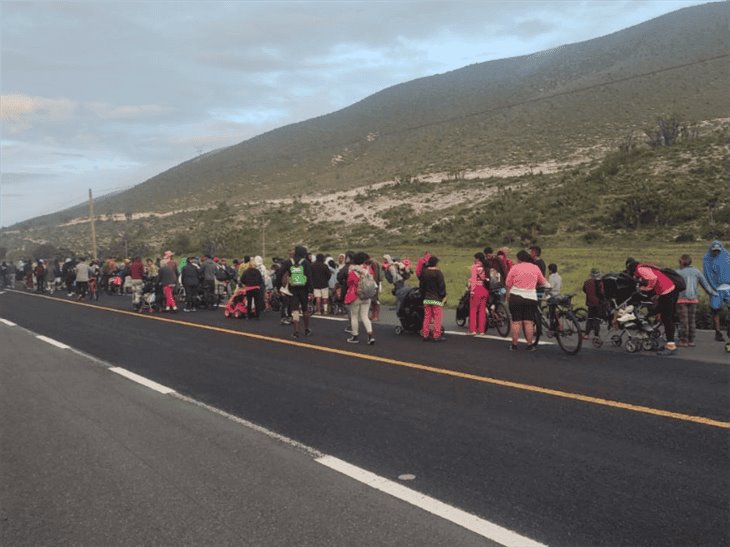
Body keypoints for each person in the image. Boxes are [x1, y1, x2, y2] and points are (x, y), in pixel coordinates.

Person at [625, 258, 678, 356]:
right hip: (668, 290)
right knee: (659, 313)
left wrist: (646, 288)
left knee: (667, 319)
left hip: (667, 292)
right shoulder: (644, 267)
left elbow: (653, 279)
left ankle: (671, 345)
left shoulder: (640, 269)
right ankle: (669, 342)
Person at [505, 250, 547, 351]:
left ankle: (514, 345)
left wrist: (508, 294)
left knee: (516, 322)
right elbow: (542, 281)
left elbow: (508, 283)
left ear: (519, 258)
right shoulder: (535, 267)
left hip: (516, 296)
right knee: (528, 322)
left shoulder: (515, 267)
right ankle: (529, 345)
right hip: (530, 297)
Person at [676, 254, 716, 347]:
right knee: (692, 320)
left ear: (681, 262)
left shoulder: (678, 272)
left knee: (684, 321)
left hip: (681, 299)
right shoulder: (696, 271)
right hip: (693, 300)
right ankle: (691, 340)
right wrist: (713, 293)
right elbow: (705, 285)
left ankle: (683, 340)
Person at [281, 245, 313, 338]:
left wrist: (279, 286)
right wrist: (311, 290)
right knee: (305, 309)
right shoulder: (306, 262)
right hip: (304, 289)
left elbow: (281, 273)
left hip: (293, 289)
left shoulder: (288, 262)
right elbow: (310, 277)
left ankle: (296, 331)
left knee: (295, 310)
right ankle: (306, 329)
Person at [344, 252, 376, 345]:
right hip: (367, 295)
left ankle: (355, 336)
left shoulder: (353, 270)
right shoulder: (369, 269)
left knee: (354, 316)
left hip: (356, 295)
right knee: (365, 316)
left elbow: (349, 283)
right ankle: (370, 336)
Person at [703, 240, 730, 342]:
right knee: (715, 310)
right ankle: (718, 332)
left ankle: (728, 326)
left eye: (718, 251)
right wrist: (713, 287)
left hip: (728, 287)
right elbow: (707, 274)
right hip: (716, 289)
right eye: (714, 251)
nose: (716, 253)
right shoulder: (707, 258)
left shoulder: (727, 256)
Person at [420, 255, 447, 341]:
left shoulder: (424, 272)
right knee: (437, 318)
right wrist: (442, 295)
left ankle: (425, 334)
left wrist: (422, 295)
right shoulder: (438, 273)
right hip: (436, 299)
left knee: (427, 317)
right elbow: (442, 286)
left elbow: (422, 286)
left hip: (427, 298)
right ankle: (436, 335)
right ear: (436, 263)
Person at [467, 252, 490, 336]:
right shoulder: (486, 267)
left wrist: (472, 291)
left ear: (477, 259)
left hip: (476, 289)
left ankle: (472, 330)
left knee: (473, 310)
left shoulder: (474, 267)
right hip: (484, 290)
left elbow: (473, 280)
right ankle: (481, 330)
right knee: (482, 311)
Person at [582, 268, 604, 340]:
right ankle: (596, 335)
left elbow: (584, 290)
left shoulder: (586, 282)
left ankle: (586, 335)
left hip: (590, 303)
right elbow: (602, 292)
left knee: (590, 319)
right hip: (598, 303)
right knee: (597, 319)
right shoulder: (600, 282)